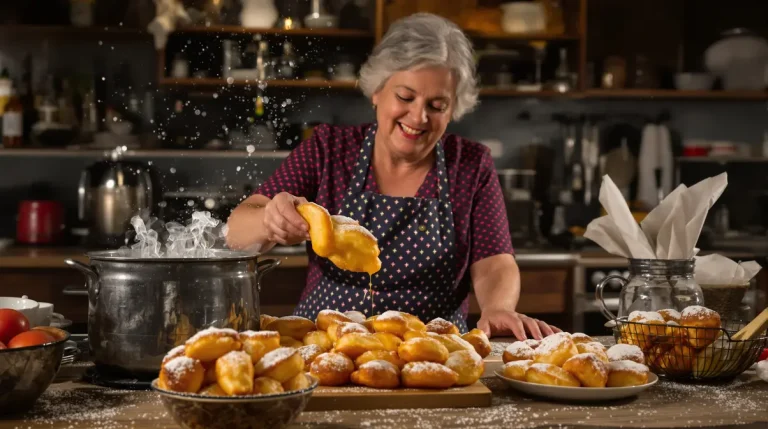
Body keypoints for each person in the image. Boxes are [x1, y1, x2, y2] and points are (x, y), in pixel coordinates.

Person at [227, 13, 560, 340]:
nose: (418, 116)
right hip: (326, 345)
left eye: (437, 105)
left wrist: (498, 307)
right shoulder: (327, 149)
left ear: (453, 109)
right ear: (377, 91)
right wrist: (270, 221)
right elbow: (236, 231)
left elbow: (494, 260)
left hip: (432, 352)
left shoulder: (471, 164)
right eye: (405, 97)